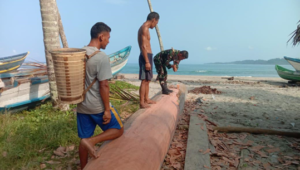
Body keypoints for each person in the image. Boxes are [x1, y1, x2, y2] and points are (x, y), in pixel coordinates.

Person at [76, 22, 124, 169]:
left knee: (84, 138)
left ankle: (83, 167)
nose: (108, 41)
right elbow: (104, 85)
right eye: (108, 38)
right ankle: (92, 142)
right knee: (118, 130)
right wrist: (107, 110)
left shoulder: (78, 53)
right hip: (97, 105)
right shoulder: (101, 57)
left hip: (81, 106)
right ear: (101, 36)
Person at [137, 12, 160, 108]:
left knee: (148, 80)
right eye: (156, 22)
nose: (156, 25)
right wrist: (146, 61)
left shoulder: (145, 28)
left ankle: (147, 99)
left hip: (148, 55)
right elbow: (143, 46)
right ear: (154, 19)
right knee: (144, 80)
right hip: (145, 56)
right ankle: (142, 102)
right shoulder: (144, 28)